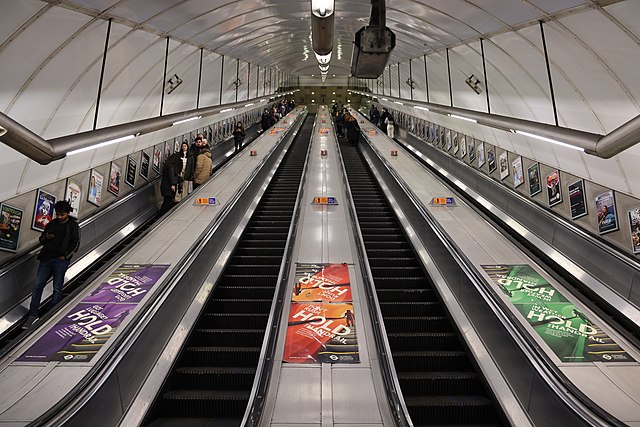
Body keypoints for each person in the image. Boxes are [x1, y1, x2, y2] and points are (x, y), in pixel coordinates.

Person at [23, 200, 81, 329]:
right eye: (58, 214)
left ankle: (51, 312)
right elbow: (41, 239)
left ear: (67, 213)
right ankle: (33, 314)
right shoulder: (52, 223)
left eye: (62, 215)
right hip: (46, 258)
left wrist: (65, 256)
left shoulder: (73, 226)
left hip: (60, 261)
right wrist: (46, 237)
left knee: (57, 287)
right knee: (38, 286)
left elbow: (75, 243)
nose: (59, 217)